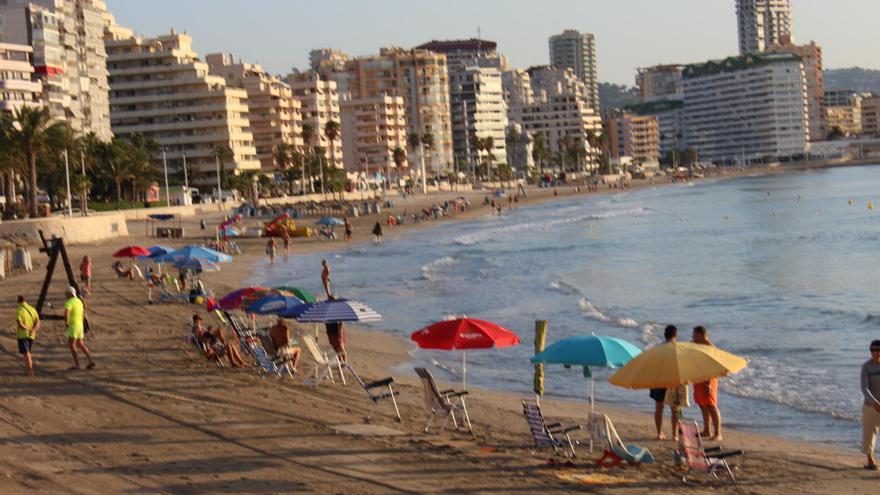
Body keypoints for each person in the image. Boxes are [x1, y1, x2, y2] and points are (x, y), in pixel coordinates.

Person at [692, 326, 722, 440]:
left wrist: (708, 383)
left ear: (700, 335)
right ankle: (706, 430)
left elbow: (713, 367)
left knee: (711, 405)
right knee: (702, 404)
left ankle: (718, 433)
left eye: (694, 335)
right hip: (699, 378)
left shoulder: (710, 347)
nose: (693, 337)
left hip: (708, 379)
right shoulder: (698, 345)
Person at [650, 325, 678, 440]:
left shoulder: (658, 348)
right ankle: (674, 434)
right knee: (675, 409)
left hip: (659, 380)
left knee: (659, 408)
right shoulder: (677, 349)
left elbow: (653, 366)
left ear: (664, 335)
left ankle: (659, 433)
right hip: (673, 380)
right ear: (675, 335)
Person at [65, 287, 95, 370]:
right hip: (80, 325)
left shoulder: (69, 302)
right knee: (80, 344)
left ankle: (77, 365)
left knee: (72, 345)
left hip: (73, 325)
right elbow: (83, 311)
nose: (65, 295)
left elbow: (66, 314)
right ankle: (90, 360)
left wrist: (67, 324)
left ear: (70, 293)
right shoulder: (79, 301)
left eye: (66, 293)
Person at [861, 339, 880, 470]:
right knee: (869, 433)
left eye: (877, 350)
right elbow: (864, 388)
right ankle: (870, 460)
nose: (875, 352)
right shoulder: (866, 367)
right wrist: (875, 402)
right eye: (872, 350)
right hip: (871, 406)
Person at [15, 295, 40, 376]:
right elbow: (38, 321)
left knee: (26, 353)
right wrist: (34, 330)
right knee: (28, 352)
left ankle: (29, 371)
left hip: (23, 335)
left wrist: (28, 329)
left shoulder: (19, 310)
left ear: (18, 301)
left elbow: (20, 324)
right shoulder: (32, 309)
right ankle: (28, 370)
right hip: (31, 335)